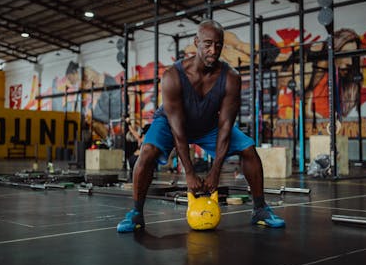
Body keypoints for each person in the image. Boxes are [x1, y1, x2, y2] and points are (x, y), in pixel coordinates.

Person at [117, 19, 285, 233]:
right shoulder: (172, 77)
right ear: (196, 42)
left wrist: (216, 171)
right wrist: (189, 172)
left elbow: (225, 126)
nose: (213, 50)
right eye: (207, 44)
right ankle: (136, 214)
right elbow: (179, 131)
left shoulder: (231, 77)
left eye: (218, 45)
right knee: (147, 152)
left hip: (208, 123)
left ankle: (260, 210)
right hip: (170, 123)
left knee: (249, 150)